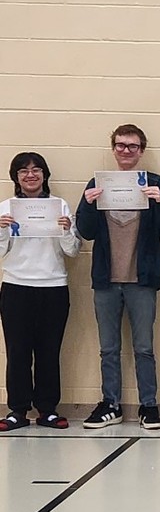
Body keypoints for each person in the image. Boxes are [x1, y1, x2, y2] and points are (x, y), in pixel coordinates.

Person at [76, 124, 160, 431]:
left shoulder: (155, 183)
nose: (126, 151)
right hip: (106, 281)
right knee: (108, 347)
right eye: (121, 145)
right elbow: (86, 232)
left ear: (142, 151)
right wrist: (87, 203)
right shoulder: (98, 183)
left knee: (144, 347)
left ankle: (148, 405)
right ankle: (111, 404)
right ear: (113, 149)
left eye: (132, 146)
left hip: (142, 280)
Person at [0, 152, 80, 431]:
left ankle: (47, 409)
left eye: (36, 170)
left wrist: (67, 231)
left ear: (45, 175)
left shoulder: (59, 206)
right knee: (18, 352)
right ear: (16, 177)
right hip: (16, 287)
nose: (30, 175)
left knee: (49, 352)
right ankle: (17, 411)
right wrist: (1, 231)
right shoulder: (5, 208)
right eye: (23, 171)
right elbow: (0, 253)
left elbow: (72, 251)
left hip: (53, 287)